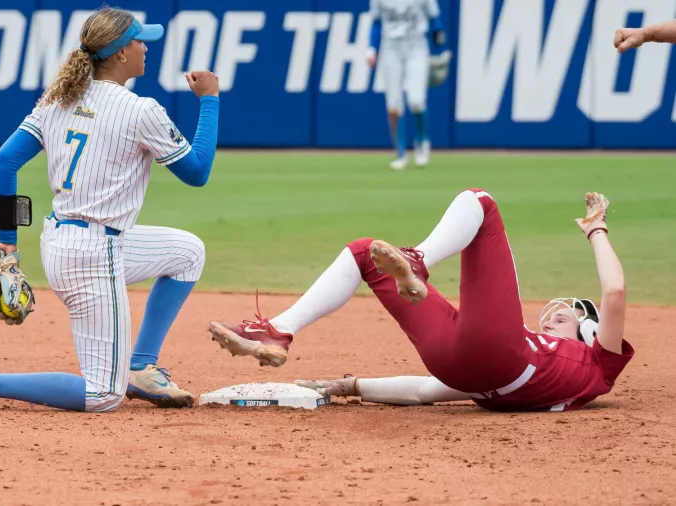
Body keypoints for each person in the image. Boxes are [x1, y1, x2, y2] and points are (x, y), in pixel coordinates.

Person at [0, 7, 221, 413]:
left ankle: (141, 368)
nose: (145, 47)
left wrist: (7, 242)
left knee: (187, 253)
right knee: (102, 396)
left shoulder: (57, 98)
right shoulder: (140, 109)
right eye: (138, 40)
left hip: (64, 242)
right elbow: (198, 172)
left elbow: (3, 164)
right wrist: (210, 101)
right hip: (93, 258)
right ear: (117, 54)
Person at [209, 189, 633, 412]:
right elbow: (427, 390)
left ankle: (419, 259)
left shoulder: (599, 365)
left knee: (481, 202)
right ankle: (279, 331)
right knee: (363, 253)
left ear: (591, 334)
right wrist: (354, 387)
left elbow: (613, 292)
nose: (554, 315)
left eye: (567, 316)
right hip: (459, 367)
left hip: (498, 358)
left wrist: (597, 229)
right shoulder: (540, 360)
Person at [367, 0, 447, 171]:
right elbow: (376, 22)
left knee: (416, 100)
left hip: (416, 46)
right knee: (394, 104)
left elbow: (434, 19)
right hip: (390, 48)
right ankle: (400, 154)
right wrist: (372, 48)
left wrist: (439, 40)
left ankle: (422, 142)